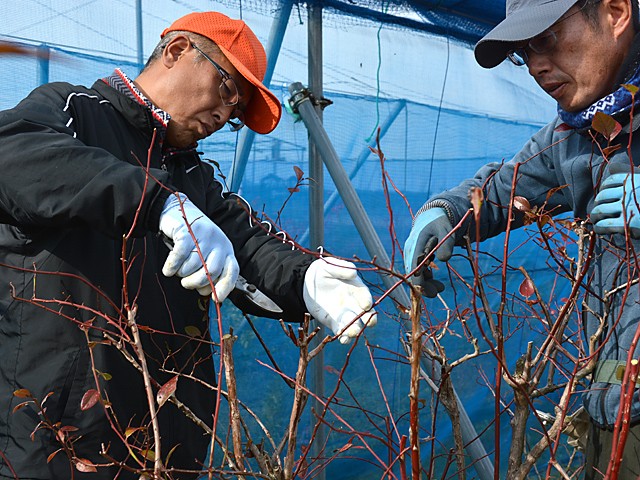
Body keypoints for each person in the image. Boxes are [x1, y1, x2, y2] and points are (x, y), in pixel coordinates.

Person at [0, 11, 377, 479]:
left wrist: (306, 278)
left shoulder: (193, 178)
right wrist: (155, 203)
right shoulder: (72, 112)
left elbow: (248, 244)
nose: (225, 115)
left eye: (236, 113)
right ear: (177, 51)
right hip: (57, 446)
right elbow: (14, 157)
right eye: (226, 90)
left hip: (168, 449)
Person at [403, 0, 640, 477]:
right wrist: (444, 213)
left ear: (615, 12)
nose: (535, 65)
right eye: (524, 51)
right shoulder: (579, 130)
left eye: (547, 39)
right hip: (615, 402)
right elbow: (504, 188)